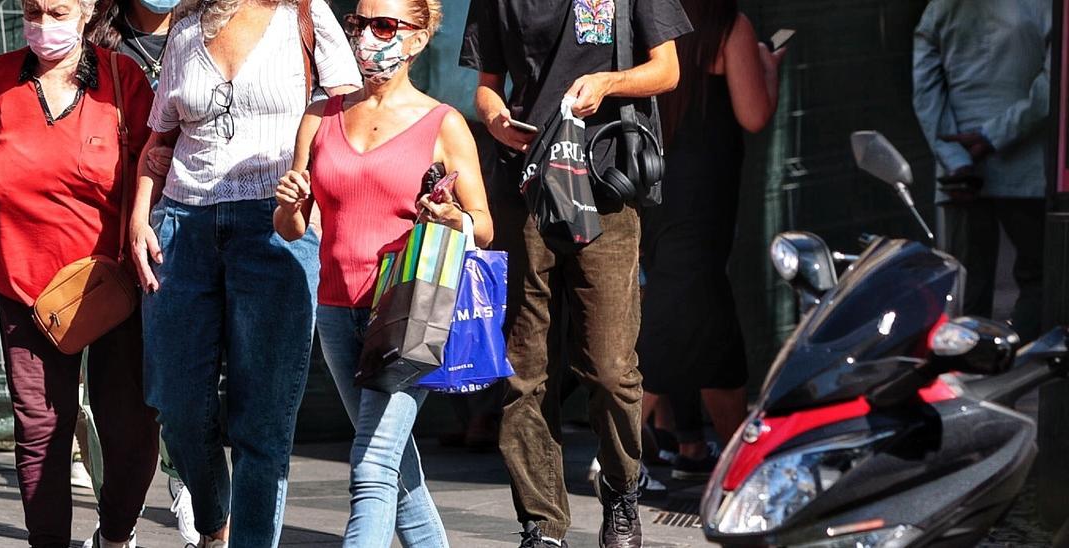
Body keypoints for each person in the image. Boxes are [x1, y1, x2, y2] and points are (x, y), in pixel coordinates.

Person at [0, 1, 159, 547]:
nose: (43, 24)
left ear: (88, 9)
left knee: (131, 433)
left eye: (57, 10)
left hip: (111, 287)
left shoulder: (122, 80)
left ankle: (116, 537)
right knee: (41, 431)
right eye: (33, 9)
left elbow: (153, 159)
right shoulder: (2, 77)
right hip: (24, 285)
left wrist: (144, 222)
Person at [126, 0, 361, 545]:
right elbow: (159, 140)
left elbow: (340, 100)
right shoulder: (184, 26)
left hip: (274, 221)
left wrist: (302, 171)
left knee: (264, 421)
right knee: (178, 405)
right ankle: (214, 525)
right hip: (183, 225)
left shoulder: (305, 13)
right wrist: (141, 216)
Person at [460, 0, 690, 545]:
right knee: (524, 369)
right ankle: (542, 523)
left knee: (610, 368)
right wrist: (494, 117)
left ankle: (622, 491)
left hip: (605, 182)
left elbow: (668, 70)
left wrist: (608, 83)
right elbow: (487, 84)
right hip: (527, 184)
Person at [274, 0, 492, 544]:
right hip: (336, 308)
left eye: (385, 25)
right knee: (397, 467)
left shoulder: (443, 123)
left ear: (418, 40)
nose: (368, 36)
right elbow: (293, 228)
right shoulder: (321, 114)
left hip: (408, 309)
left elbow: (484, 226)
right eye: (360, 24)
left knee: (372, 464)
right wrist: (288, 203)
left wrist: (453, 217)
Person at [641, 0, 784, 481]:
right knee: (681, 316)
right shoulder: (730, 27)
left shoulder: (652, 19)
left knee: (702, 317)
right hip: (705, 194)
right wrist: (768, 68)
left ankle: (736, 458)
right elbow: (754, 114)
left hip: (655, 188)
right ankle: (615, 448)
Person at [84, 1, 204, 545]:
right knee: (118, 399)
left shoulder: (213, 31)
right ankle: (117, 525)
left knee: (192, 383)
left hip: (198, 227)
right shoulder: (94, 46)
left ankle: (195, 495)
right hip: (115, 239)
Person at [912, 0, 1050, 343]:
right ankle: (1019, 370)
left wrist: (954, 156)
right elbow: (1054, 84)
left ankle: (971, 376)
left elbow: (926, 92)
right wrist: (993, 136)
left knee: (965, 288)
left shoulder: (939, 8)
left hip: (962, 177)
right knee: (1040, 277)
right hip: (1026, 168)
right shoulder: (1045, 6)